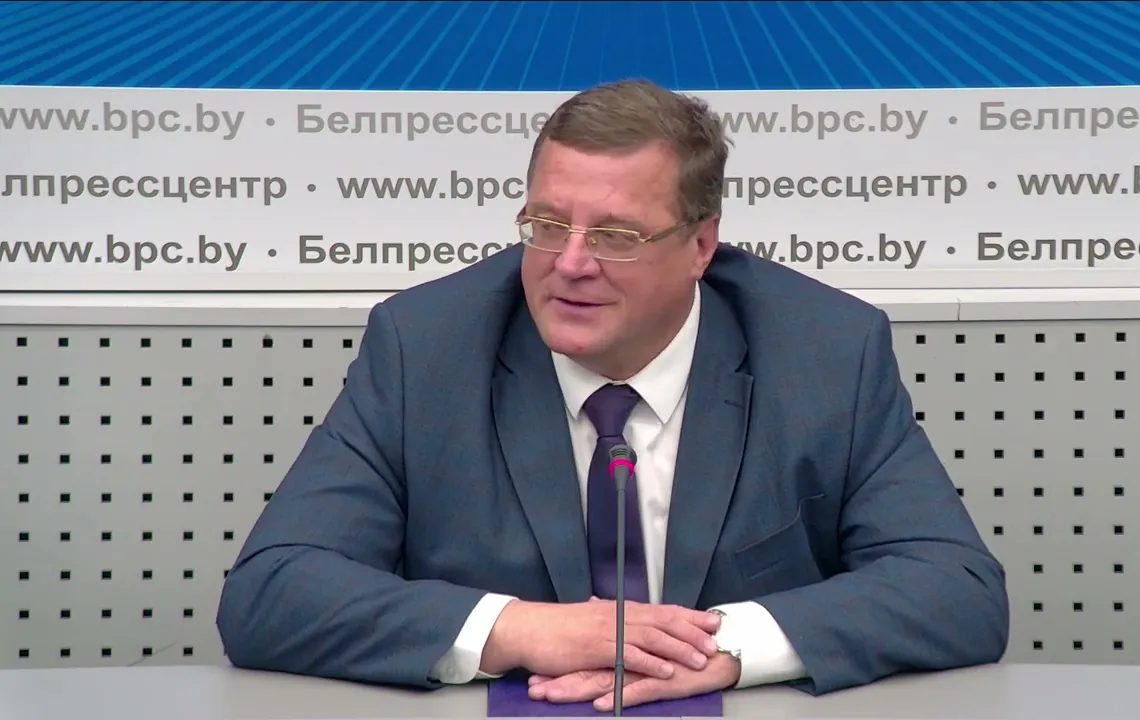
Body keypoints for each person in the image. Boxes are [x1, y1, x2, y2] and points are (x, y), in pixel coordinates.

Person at [216, 79, 1009, 709]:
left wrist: (722, 646)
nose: (569, 263)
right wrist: (519, 629)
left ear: (701, 244)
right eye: (546, 225)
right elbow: (271, 592)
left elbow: (957, 589)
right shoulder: (424, 349)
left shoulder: (824, 352)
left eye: (615, 236)